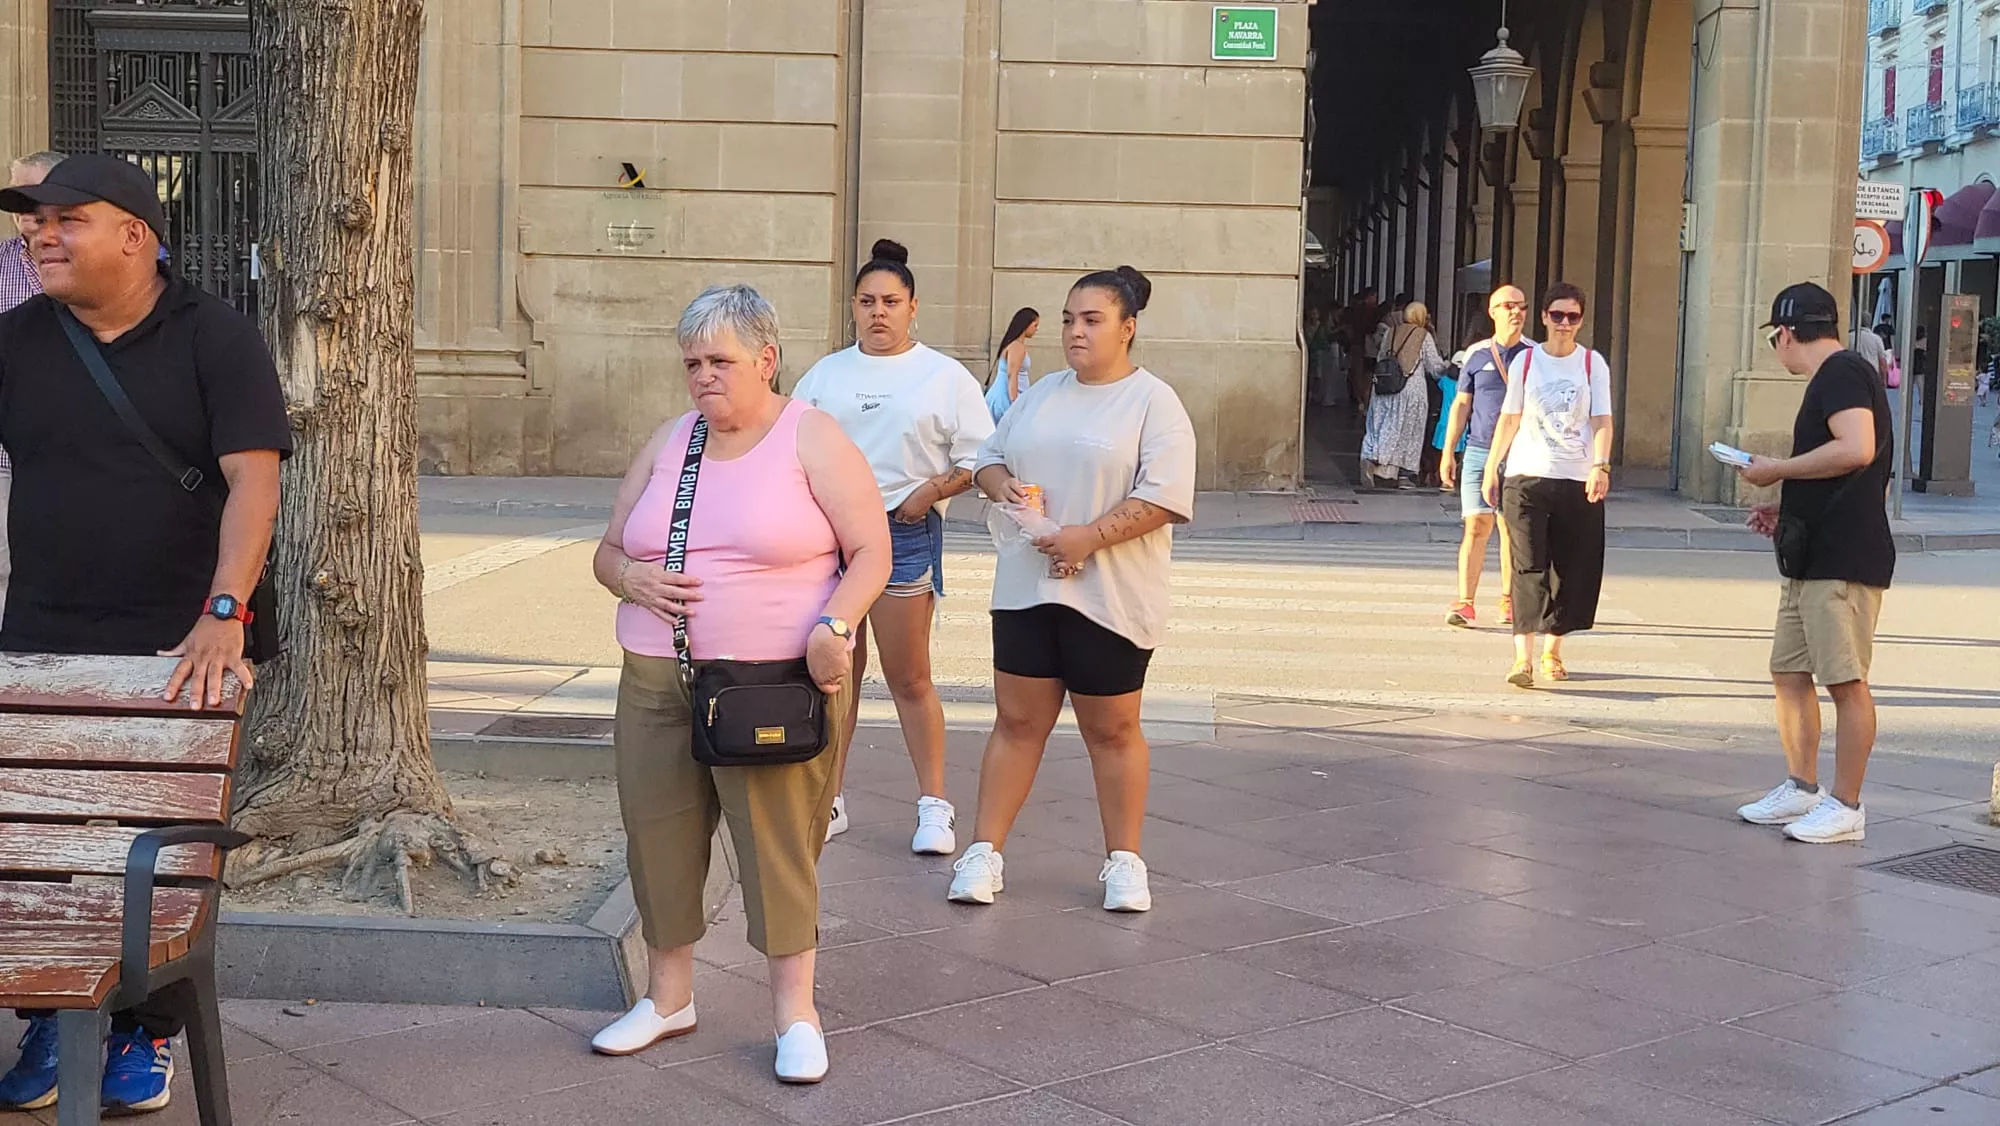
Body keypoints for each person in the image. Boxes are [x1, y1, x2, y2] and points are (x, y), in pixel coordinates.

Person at [0, 153, 290, 1115]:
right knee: (43, 832)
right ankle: (55, 1009)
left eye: (65, 219)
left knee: (160, 842)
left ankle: (148, 1030)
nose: (40, 234)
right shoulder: (16, 340)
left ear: (134, 234)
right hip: (43, 631)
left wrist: (224, 611)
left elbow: (254, 479)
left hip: (182, 634)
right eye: (33, 220)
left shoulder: (215, 335)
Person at [587, 284, 890, 1082]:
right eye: (691, 363)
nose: (703, 377)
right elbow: (609, 552)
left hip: (770, 685)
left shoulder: (810, 436)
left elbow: (872, 552)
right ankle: (668, 998)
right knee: (658, 835)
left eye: (719, 361)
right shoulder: (671, 440)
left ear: (766, 358)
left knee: (776, 847)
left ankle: (796, 1015)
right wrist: (630, 579)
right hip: (657, 675)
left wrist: (835, 627)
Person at [947, 265, 1195, 913]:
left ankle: (1125, 861)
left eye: (1092, 320)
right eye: (1067, 320)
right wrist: (1000, 484)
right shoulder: (1042, 395)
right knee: (1017, 722)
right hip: (1027, 588)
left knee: (1112, 729)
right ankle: (984, 852)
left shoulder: (1153, 402)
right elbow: (989, 458)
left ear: (1127, 328)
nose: (1075, 332)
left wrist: (1089, 537)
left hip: (1110, 594)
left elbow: (1164, 496)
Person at [791, 239, 993, 853]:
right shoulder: (826, 374)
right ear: (853, 306)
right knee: (835, 677)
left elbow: (982, 457)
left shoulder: (944, 376)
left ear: (913, 307)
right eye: (867, 301)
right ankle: (829, 799)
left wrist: (930, 492)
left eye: (890, 302)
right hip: (829, 538)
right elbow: (790, 444)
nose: (878, 312)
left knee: (910, 677)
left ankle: (934, 805)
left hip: (904, 531)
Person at [1734, 283, 1894, 844]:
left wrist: (1777, 469)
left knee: (1845, 681)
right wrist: (1787, 508)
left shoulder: (1842, 373)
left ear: (1784, 334)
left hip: (1843, 559)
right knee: (1789, 672)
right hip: (1812, 554)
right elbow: (1852, 473)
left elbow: (1857, 448)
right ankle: (1801, 787)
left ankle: (1847, 806)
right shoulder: (1836, 377)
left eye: (1773, 339)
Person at [1481, 282, 1613, 688]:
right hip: (1527, 476)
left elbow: (1602, 420)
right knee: (1528, 564)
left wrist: (1601, 466)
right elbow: (1510, 417)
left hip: (1577, 478)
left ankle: (1552, 651)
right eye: (1557, 315)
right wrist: (1491, 467)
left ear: (1581, 320)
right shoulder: (1526, 362)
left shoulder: (1592, 364)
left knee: (1570, 569)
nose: (1564, 323)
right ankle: (1522, 659)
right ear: (1543, 317)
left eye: (1572, 316)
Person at [1441, 285, 1533, 628]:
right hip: (1479, 451)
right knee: (1477, 526)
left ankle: (1509, 599)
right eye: (1508, 306)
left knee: (1511, 529)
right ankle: (1465, 602)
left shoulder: (1534, 356)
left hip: (1520, 454)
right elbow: (1461, 404)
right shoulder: (1477, 355)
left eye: (1521, 306)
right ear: (1493, 312)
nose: (1516, 312)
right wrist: (1448, 452)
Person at [0, 149, 62, 626]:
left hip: (72, 454)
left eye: (33, 196)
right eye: (16, 199)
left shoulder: (87, 268)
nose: (24, 212)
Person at [1360, 300, 1445, 488]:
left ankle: (1371, 458)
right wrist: (1449, 367)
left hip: (1384, 386)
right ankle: (1404, 475)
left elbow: (1381, 357)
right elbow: (1435, 367)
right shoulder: (1422, 336)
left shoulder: (1391, 332)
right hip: (1410, 389)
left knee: (1382, 425)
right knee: (1409, 431)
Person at [986, 305, 1040, 422]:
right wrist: (1014, 402)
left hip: (1001, 396)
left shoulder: (1012, 344)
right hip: (1005, 399)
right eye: (1035, 325)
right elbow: (1012, 374)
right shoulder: (1017, 346)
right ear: (1026, 325)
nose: (1036, 329)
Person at [1344, 287, 1380, 414]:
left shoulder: (1354, 311)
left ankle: (1359, 400)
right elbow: (1371, 328)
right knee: (1367, 375)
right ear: (1370, 296)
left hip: (1355, 344)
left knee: (1356, 373)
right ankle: (1365, 401)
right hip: (1366, 345)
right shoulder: (1371, 311)